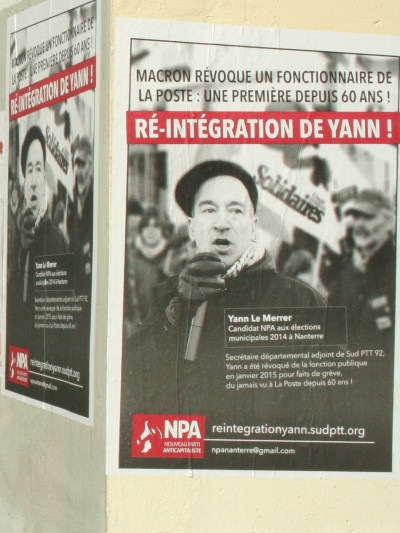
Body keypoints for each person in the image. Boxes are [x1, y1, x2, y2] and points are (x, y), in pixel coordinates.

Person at [123, 159, 326, 413]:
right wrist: (174, 318)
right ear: (192, 228)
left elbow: (323, 406)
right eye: (209, 210)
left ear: (253, 226)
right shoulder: (168, 296)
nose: (222, 223)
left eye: (236, 211)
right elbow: (133, 382)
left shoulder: (301, 302)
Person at [7, 126, 68, 345]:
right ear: (24, 179)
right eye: (29, 169)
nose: (33, 181)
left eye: (38, 168)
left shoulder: (56, 240)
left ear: (44, 176)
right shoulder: (17, 239)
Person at [326, 188, 396, 346]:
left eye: (368, 217)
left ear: (390, 222)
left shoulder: (393, 269)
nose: (358, 224)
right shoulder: (345, 267)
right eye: (356, 217)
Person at [124, 209, 170, 335]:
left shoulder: (171, 258)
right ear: (141, 230)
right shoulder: (131, 260)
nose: (150, 231)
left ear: (163, 230)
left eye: (155, 226)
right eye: (146, 226)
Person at [67, 136, 94, 285]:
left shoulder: (96, 196)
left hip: (91, 273)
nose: (77, 171)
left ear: (91, 164)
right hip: (75, 273)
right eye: (75, 164)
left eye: (81, 164)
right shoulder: (72, 197)